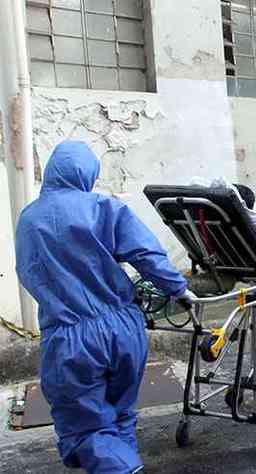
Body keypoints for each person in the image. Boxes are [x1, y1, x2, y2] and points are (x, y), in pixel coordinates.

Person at [15, 141, 194, 474]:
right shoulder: (104, 208)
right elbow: (146, 254)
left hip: (72, 337)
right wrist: (179, 289)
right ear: (88, 173)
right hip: (125, 329)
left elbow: (29, 272)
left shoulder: (30, 219)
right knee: (120, 415)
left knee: (87, 428)